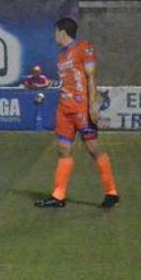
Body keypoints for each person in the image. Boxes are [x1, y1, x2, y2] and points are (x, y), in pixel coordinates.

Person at [35, 17, 119, 208]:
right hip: (64, 110)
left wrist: (93, 105)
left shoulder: (83, 47)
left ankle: (111, 192)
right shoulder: (61, 55)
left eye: (56, 31)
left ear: (63, 32)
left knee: (92, 149)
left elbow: (91, 76)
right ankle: (58, 196)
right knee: (63, 149)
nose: (54, 35)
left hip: (81, 109)